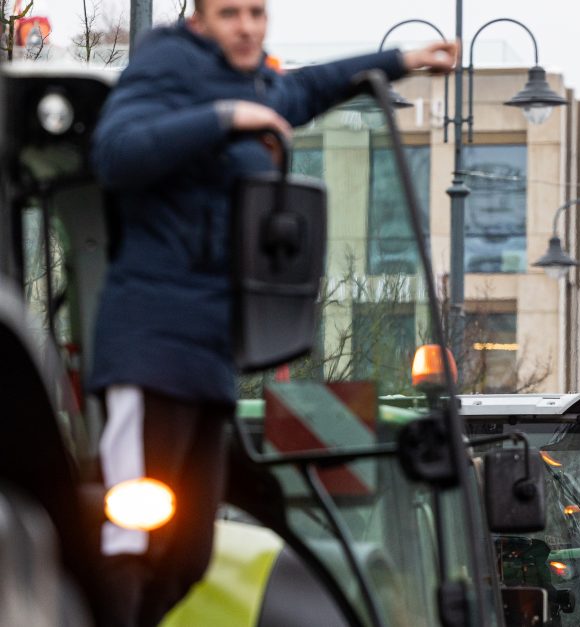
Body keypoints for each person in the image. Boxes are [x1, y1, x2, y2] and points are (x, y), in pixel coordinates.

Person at [88, 0, 458, 624]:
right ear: (199, 20)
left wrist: (399, 61)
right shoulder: (166, 66)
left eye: (257, 13)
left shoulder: (254, 82)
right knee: (133, 533)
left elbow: (309, 86)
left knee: (188, 552)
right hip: (149, 345)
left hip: (209, 356)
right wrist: (224, 118)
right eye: (229, 13)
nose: (247, 27)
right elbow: (117, 153)